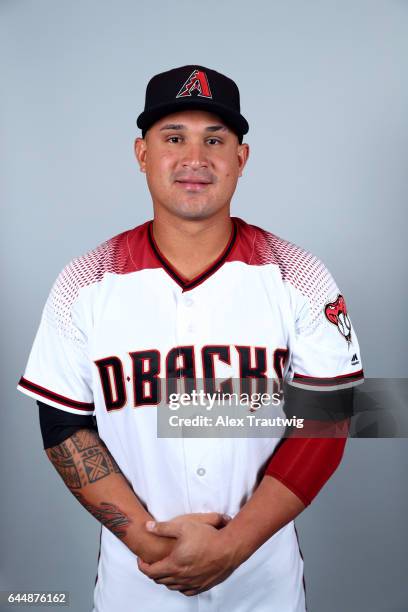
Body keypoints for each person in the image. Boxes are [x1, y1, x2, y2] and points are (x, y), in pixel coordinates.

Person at [17, 65, 364, 612]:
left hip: (263, 584)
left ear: (241, 159)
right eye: (174, 138)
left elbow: (330, 420)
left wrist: (233, 546)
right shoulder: (83, 283)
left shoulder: (299, 275)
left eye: (215, 140)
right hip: (136, 583)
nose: (194, 159)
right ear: (142, 154)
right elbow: (63, 425)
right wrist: (144, 540)